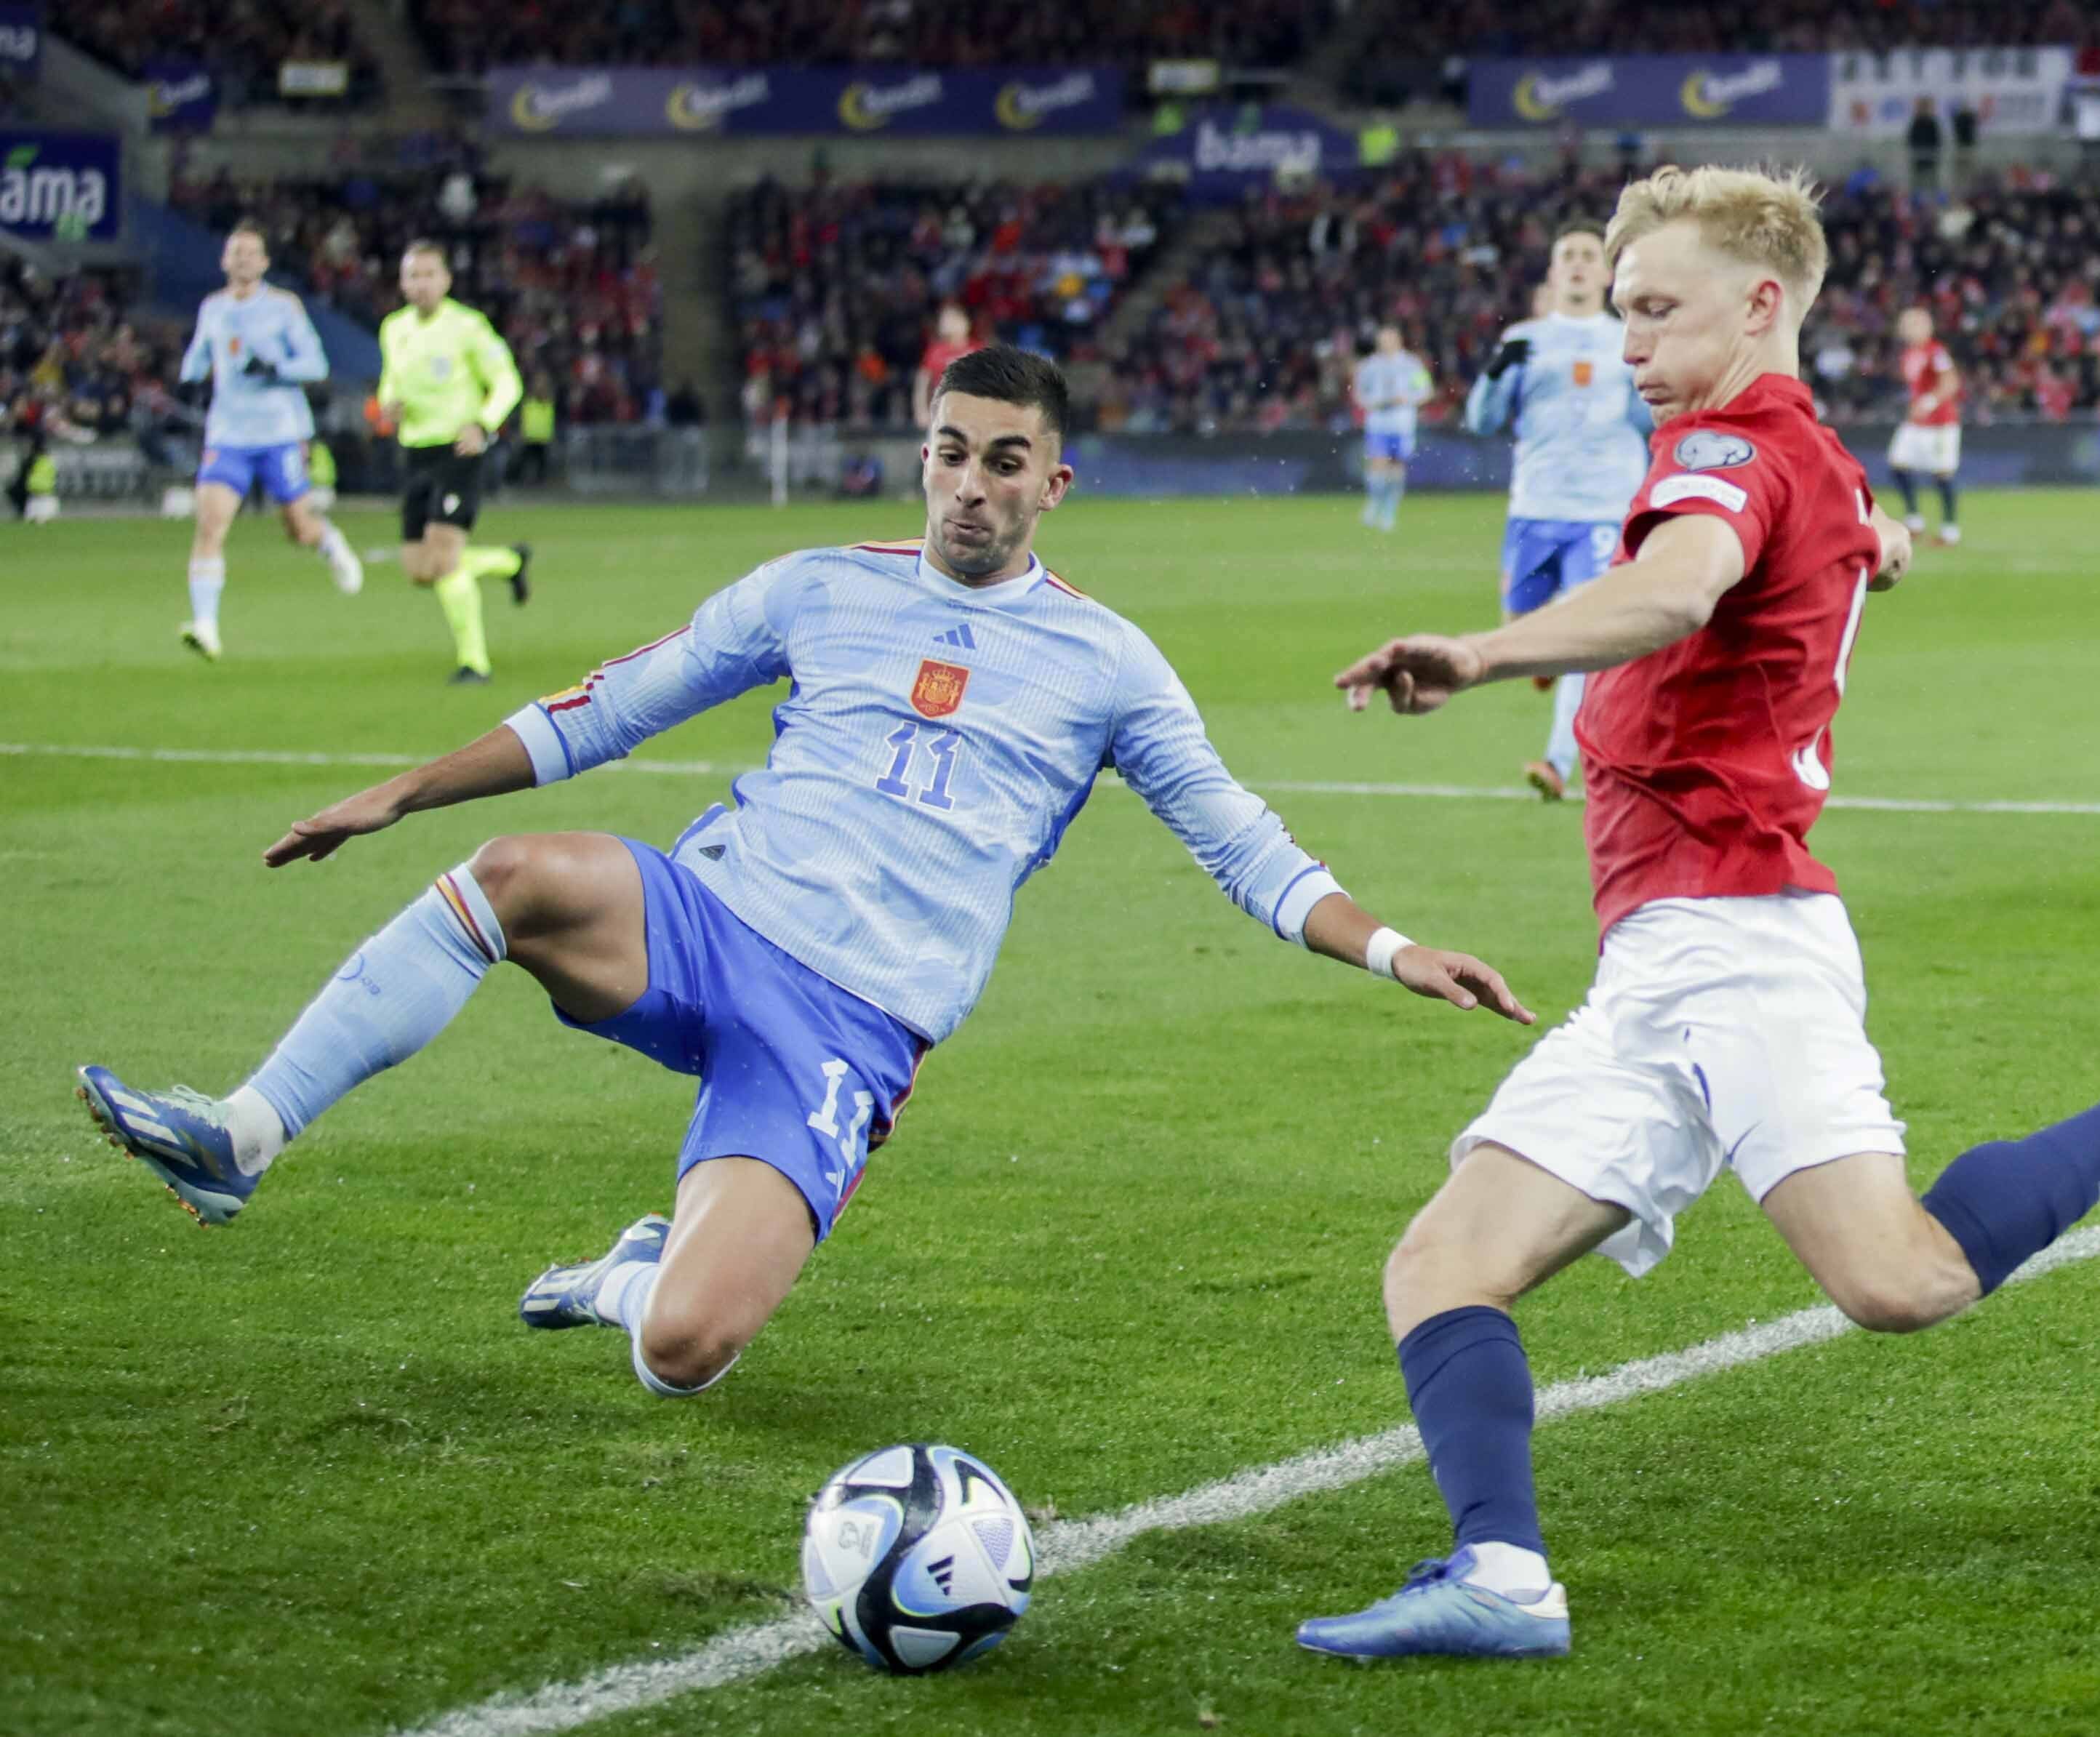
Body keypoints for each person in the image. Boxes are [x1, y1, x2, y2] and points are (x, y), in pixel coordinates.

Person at [1294, 165, 2100, 1661]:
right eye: (1619, 315)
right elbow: (1793, 553)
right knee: (1440, 1264)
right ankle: (1501, 1576)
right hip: (1655, 956)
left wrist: (1483, 657)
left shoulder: (1736, 451)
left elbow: (1682, 588)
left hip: (1737, 933)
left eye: (1656, 312)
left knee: (1898, 1281)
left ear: (1761, 305)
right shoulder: (1787, 447)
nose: (1629, 347)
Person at [75, 347, 1532, 1408]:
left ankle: (630, 1274)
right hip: (710, 920)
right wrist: (399, 792)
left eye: (1004, 459)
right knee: (512, 871)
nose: (970, 483)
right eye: (949, 451)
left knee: (685, 1354)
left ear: (1055, 483)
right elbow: (607, 707)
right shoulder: (814, 584)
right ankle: (245, 1133)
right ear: (923, 459)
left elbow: (1245, 847)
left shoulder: (1110, 667)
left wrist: (1397, 946)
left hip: (856, 1021)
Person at [1462, 220, 1651, 803]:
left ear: (1605, 272)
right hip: (1534, 508)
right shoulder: (1526, 339)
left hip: (1600, 511)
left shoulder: (1631, 340)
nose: (1576, 263)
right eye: (1565, 253)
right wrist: (1495, 373)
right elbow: (1481, 421)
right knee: (1518, 628)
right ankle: (1541, 654)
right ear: (1552, 272)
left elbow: (1654, 419)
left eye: (1587, 254)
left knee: (1582, 641)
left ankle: (1556, 761)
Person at [174, 225, 365, 659]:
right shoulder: (214, 308)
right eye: (235, 252)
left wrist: (275, 367)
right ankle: (206, 625)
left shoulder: (284, 307)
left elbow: (315, 363)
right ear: (225, 261)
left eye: (251, 253)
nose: (242, 260)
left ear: (264, 263)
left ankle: (328, 540)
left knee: (298, 529)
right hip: (228, 436)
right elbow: (201, 355)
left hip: (279, 434)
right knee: (210, 526)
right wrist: (188, 377)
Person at [380, 243, 534, 685]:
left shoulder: (468, 327)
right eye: (414, 276)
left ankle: (474, 663)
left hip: (459, 451)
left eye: (430, 274)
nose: (421, 284)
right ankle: (509, 562)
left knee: (445, 559)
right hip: (415, 453)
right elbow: (392, 379)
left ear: (446, 280)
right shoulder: (394, 328)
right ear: (403, 282)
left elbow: (508, 381)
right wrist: (387, 404)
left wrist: (483, 425)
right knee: (419, 569)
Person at [1885, 306, 1963, 546]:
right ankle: (1914, 520)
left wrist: (1928, 402)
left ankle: (1950, 530)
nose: (1907, 329)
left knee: (1942, 474)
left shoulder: (1936, 351)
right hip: (1917, 423)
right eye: (1905, 325)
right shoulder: (1910, 354)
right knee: (1898, 464)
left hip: (1941, 422)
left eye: (1913, 324)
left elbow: (1951, 382)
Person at [1352, 325, 1432, 532]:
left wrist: (1408, 399)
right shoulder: (1370, 366)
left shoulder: (1411, 364)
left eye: (1390, 339)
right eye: (1383, 339)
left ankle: (1389, 512)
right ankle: (1374, 503)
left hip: (1402, 424)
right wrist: (1372, 403)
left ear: (1398, 340)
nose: (1387, 343)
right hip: (1378, 422)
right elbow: (1359, 394)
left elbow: (1426, 391)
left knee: (1396, 469)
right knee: (1377, 464)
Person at [912, 304, 982, 428]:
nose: (946, 324)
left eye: (951, 319)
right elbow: (922, 382)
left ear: (964, 322)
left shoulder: (977, 349)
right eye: (944, 320)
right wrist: (921, 411)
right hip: (943, 412)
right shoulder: (935, 351)